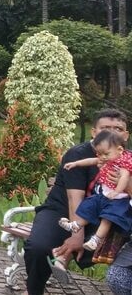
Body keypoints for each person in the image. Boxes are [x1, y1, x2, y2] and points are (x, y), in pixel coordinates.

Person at [23, 109, 129, 294]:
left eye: (118, 128)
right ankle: (34, 290)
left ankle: (62, 260)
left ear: (126, 135)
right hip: (62, 211)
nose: (112, 132)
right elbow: (75, 197)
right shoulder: (78, 153)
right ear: (94, 133)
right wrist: (76, 235)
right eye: (105, 128)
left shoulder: (126, 159)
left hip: (104, 215)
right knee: (39, 246)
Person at [58, 130, 132, 253]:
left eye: (106, 154)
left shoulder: (125, 162)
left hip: (118, 200)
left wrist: (117, 191)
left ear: (119, 150)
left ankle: (96, 239)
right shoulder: (107, 158)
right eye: (99, 154)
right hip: (104, 195)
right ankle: (76, 225)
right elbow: (92, 161)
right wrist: (76, 163)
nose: (102, 157)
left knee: (107, 218)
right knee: (89, 206)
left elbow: (124, 178)